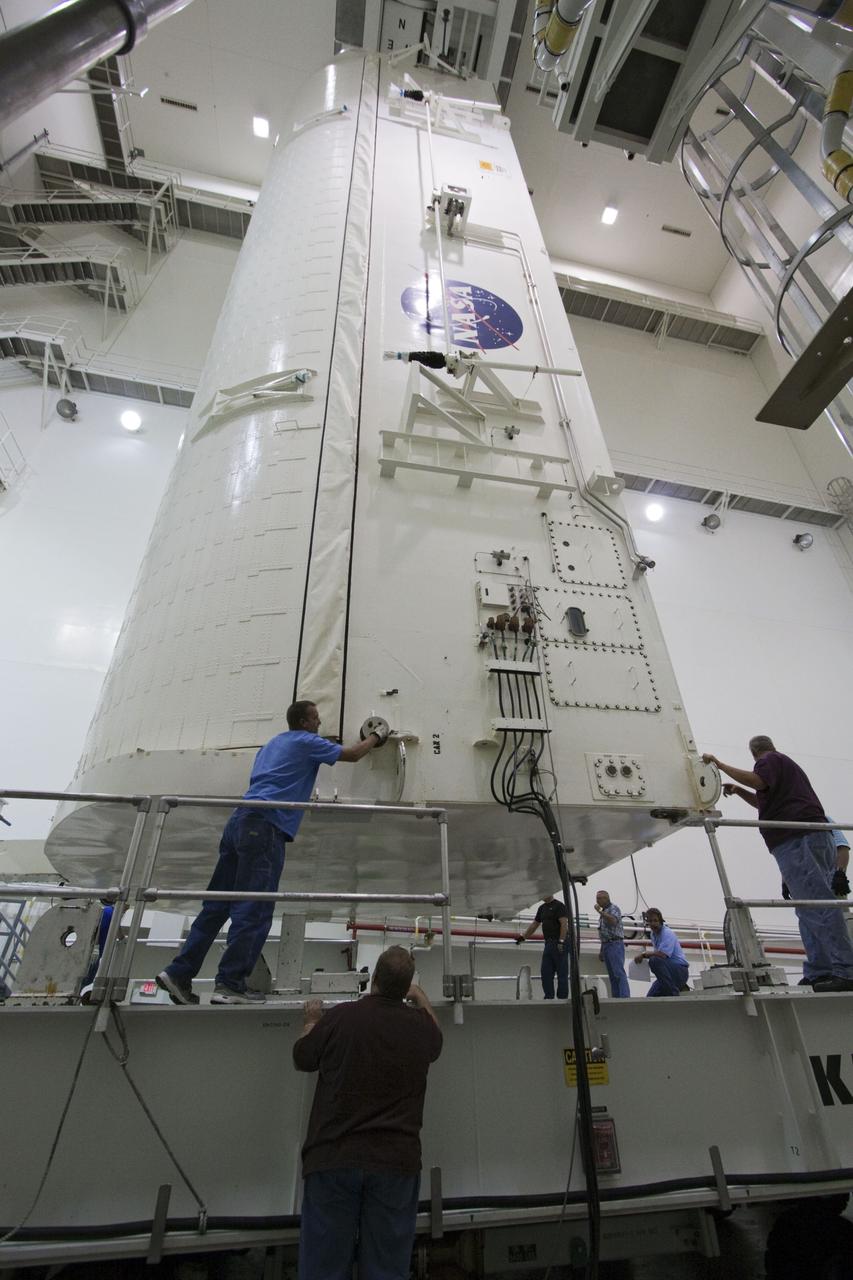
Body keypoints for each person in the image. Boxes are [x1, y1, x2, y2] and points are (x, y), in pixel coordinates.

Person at [157, 700, 385, 1005]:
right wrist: (376, 735)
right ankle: (230, 985)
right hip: (266, 826)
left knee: (217, 905)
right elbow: (353, 755)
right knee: (255, 909)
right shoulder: (308, 742)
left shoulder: (274, 743)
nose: (320, 724)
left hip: (239, 820)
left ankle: (178, 973)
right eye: (316, 719)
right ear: (304, 722)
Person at [293, 946, 442, 1280]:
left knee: (323, 1267)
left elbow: (302, 1057)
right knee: (387, 1268)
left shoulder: (340, 1018)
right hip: (395, 1163)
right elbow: (437, 1037)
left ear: (373, 977)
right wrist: (421, 998)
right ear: (406, 988)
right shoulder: (420, 1027)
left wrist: (311, 1022)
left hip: (333, 1158)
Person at [704, 737, 853, 993]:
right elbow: (764, 797)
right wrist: (739, 791)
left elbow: (759, 781)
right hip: (799, 838)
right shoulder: (783, 770)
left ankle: (845, 970)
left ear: (754, 753)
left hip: (796, 838)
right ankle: (821, 970)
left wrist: (721, 765)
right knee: (808, 909)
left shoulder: (769, 760)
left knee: (818, 906)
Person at [515, 893, 569, 1000]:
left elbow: (564, 923)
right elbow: (535, 924)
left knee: (561, 972)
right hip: (548, 943)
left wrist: (561, 941)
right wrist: (523, 937)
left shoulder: (559, 906)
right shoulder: (542, 908)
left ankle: (562, 998)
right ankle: (549, 996)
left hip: (558, 942)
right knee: (546, 972)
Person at [633, 907, 689, 996]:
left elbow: (663, 955)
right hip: (669, 973)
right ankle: (671, 989)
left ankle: (673, 993)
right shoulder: (653, 934)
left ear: (661, 921)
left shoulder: (667, 933)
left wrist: (644, 954)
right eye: (650, 921)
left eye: (655, 921)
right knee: (651, 997)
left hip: (679, 971)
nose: (653, 924)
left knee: (655, 960)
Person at [594, 889, 630, 997]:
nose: (598, 901)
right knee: (612, 975)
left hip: (615, 944)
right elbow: (603, 932)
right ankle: (616, 996)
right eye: (597, 898)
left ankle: (624, 996)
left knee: (618, 972)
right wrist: (601, 950)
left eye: (600, 898)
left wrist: (600, 912)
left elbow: (613, 921)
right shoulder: (604, 912)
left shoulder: (613, 908)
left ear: (606, 898)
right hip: (606, 944)